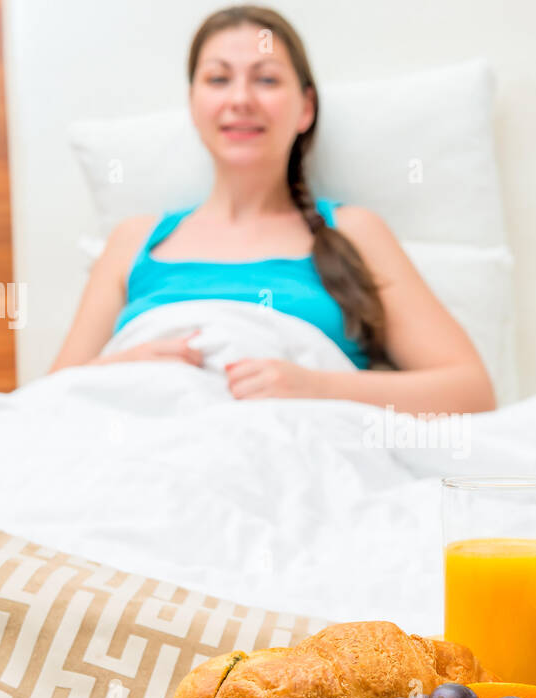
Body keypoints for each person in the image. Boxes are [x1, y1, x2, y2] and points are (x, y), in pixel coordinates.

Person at [49, 5, 496, 415]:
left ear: (306, 108)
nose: (240, 99)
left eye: (266, 79)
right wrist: (119, 369)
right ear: (193, 103)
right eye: (218, 79)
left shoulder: (354, 232)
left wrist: (319, 387)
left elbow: (469, 392)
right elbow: (46, 401)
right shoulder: (134, 240)